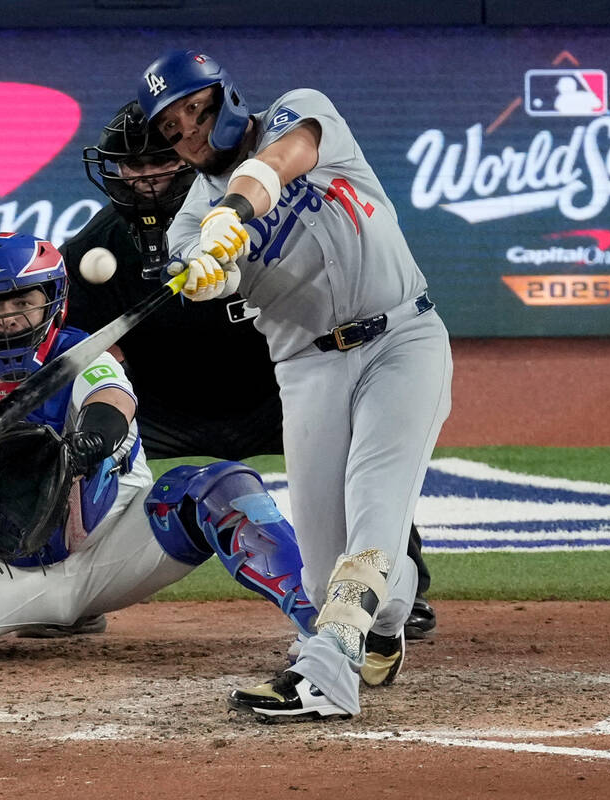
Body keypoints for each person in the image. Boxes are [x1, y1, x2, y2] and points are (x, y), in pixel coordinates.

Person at [135, 50, 453, 721]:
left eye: (195, 109)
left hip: (402, 339)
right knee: (319, 575)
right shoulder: (190, 221)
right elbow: (213, 271)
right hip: (308, 369)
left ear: (225, 96)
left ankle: (326, 674)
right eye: (172, 128)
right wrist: (205, 270)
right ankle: (385, 629)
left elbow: (281, 160)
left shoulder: (298, 111)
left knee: (373, 509)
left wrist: (235, 212)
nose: (189, 131)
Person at [0, 231, 318, 664]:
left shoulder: (86, 356)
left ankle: (321, 625)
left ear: (52, 301)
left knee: (217, 489)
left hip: (117, 545)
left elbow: (112, 401)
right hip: (6, 560)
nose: (5, 317)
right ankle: (35, 614)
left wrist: (87, 443)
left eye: (21, 301)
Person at [61, 99, 438, 641]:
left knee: (368, 468)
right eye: (131, 166)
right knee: (80, 441)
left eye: (155, 162)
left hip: (274, 396)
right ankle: (73, 591)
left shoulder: (262, 203)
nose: (142, 179)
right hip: (163, 405)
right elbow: (73, 344)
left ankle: (401, 592)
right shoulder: (94, 247)